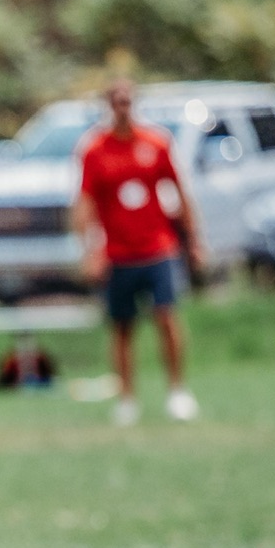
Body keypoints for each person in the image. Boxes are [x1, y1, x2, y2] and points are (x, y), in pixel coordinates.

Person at [71, 79, 204, 426]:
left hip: (158, 248)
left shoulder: (155, 143)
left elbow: (180, 192)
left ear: (135, 104)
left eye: (127, 101)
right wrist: (90, 250)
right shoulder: (95, 150)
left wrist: (194, 241)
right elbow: (84, 203)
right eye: (116, 101)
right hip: (117, 252)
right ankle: (127, 399)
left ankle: (177, 391)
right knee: (122, 327)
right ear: (108, 106)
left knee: (166, 318)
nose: (122, 108)